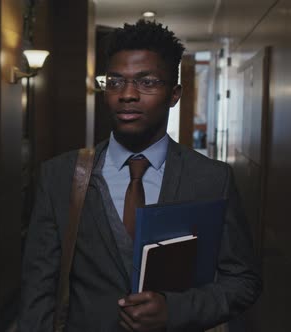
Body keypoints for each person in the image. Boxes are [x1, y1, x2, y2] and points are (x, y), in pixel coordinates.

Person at [18, 20, 261, 332]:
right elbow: (38, 290)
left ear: (174, 94)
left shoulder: (211, 178)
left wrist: (174, 311)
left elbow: (242, 281)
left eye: (146, 83)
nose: (127, 95)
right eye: (116, 82)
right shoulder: (60, 175)